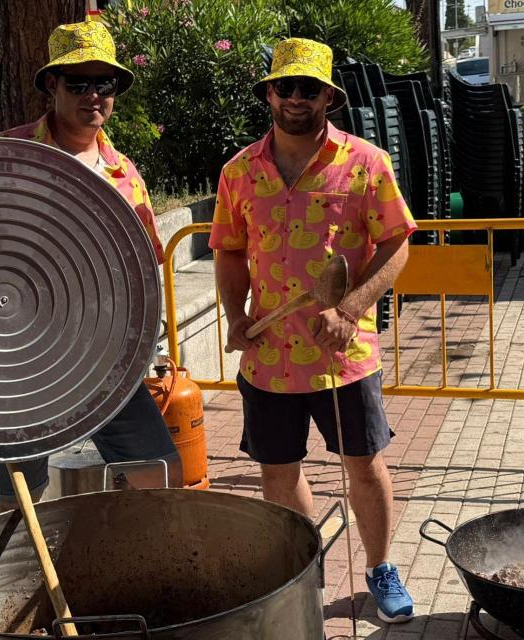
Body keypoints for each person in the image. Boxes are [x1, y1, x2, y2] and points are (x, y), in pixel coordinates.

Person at [209, 38, 416, 623]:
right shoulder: (239, 171)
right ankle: (307, 570)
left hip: (344, 355)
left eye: (309, 88)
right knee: (278, 473)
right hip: (270, 358)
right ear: (269, 93)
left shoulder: (366, 163)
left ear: (329, 96)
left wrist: (350, 309)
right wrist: (236, 313)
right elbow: (227, 251)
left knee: (365, 465)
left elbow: (398, 241)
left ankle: (379, 567)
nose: (296, 98)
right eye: (285, 87)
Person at [0, 21, 181, 515]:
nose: (93, 94)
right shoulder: (9, 155)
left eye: (105, 84)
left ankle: (134, 573)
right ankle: (15, 589)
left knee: (158, 474)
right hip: (23, 363)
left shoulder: (124, 172)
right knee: (16, 505)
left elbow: (147, 260)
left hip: (104, 358)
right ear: (52, 85)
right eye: (79, 83)